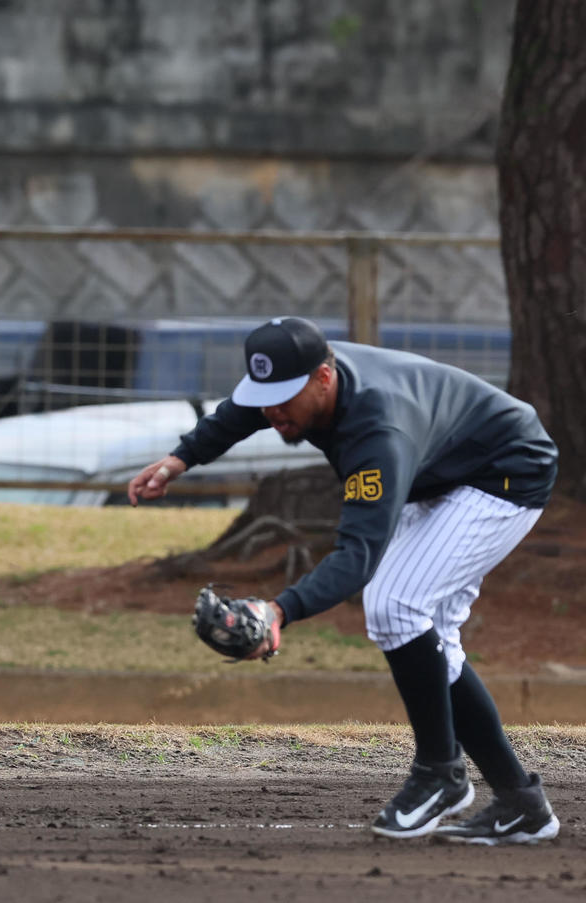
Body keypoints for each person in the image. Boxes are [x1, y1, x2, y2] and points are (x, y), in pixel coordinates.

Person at [128, 316, 561, 845]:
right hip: (445, 464)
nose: (272, 412)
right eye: (264, 397)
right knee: (429, 640)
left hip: (504, 471)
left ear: (324, 378)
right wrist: (181, 458)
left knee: (395, 607)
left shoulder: (378, 432)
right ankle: (520, 802)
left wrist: (279, 611)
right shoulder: (301, 379)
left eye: (282, 398)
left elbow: (358, 555)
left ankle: (440, 773)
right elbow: (243, 409)